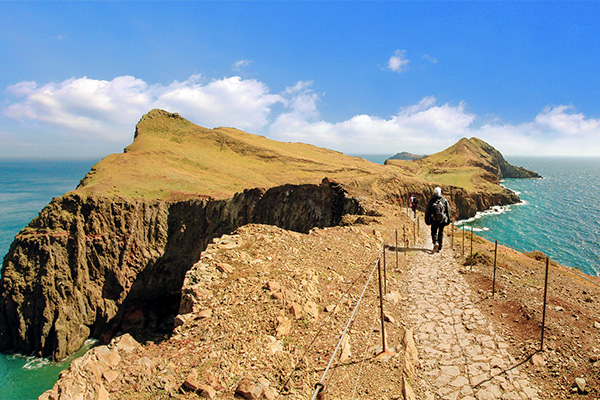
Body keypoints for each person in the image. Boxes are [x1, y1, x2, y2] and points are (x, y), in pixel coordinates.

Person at [424, 187, 451, 253]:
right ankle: (440, 247)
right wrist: (448, 220)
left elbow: (428, 211)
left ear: (434, 192)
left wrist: (427, 220)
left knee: (434, 232)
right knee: (440, 233)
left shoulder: (432, 201)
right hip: (442, 220)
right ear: (440, 192)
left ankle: (435, 242)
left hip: (434, 220)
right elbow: (448, 211)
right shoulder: (444, 200)